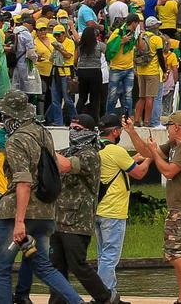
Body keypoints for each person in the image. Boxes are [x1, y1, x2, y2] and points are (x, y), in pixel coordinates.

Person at [0, 90, 86, 304]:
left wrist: (19, 222)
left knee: (2, 270)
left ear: (10, 116)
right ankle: (77, 302)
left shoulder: (15, 140)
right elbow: (57, 165)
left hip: (17, 213)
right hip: (45, 212)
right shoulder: (43, 133)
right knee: (43, 266)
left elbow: (23, 181)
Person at [128, 110, 181, 304]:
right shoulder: (175, 145)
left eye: (168, 126)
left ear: (177, 127)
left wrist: (155, 156)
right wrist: (132, 132)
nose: (166, 130)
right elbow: (148, 153)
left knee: (172, 254)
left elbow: (168, 172)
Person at [44, 114, 115, 304]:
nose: (72, 133)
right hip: (58, 218)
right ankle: (57, 301)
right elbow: (50, 159)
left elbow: (65, 165)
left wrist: (45, 144)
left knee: (78, 264)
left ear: (90, 133)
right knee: (56, 266)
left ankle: (106, 298)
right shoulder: (69, 150)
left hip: (78, 221)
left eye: (77, 129)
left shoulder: (90, 155)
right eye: (71, 128)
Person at [96, 114, 152, 299]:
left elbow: (117, 165)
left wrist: (135, 157)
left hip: (97, 210)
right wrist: (151, 157)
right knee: (110, 257)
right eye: (119, 131)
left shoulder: (96, 148)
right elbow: (139, 174)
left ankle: (108, 293)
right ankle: (106, 296)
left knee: (102, 255)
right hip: (113, 211)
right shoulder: (116, 151)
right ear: (114, 132)